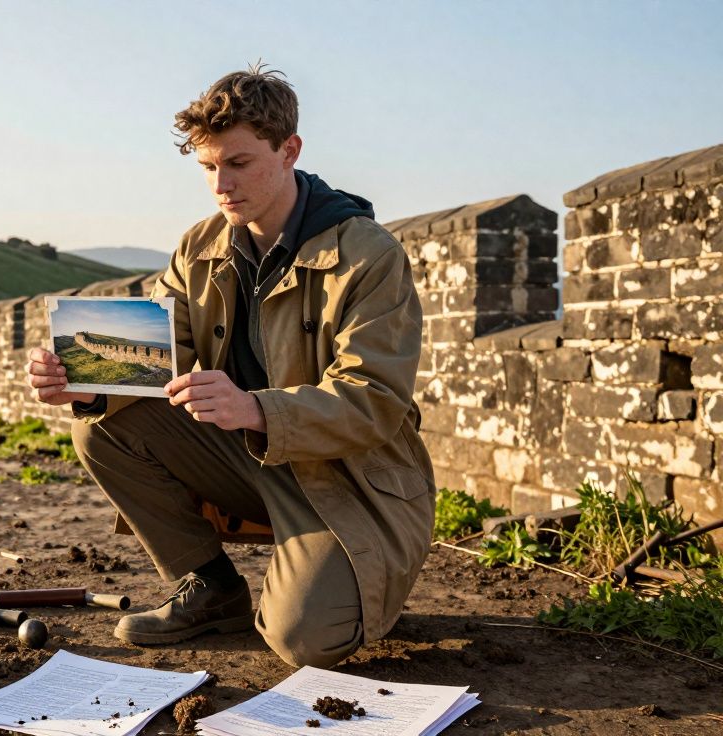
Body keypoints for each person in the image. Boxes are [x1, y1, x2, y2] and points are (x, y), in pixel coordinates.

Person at [23, 64, 435, 668]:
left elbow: (374, 398)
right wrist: (82, 382)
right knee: (100, 425)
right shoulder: (199, 246)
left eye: (238, 163)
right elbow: (162, 359)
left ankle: (345, 572)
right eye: (208, 167)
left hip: (349, 479)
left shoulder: (368, 255)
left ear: (289, 149)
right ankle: (211, 587)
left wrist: (254, 407)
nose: (221, 184)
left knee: (304, 640)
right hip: (245, 458)